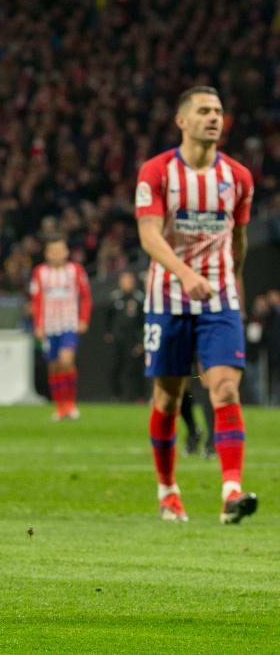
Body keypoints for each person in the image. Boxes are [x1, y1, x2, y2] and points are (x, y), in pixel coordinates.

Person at [135, 86, 256, 524]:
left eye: (219, 111)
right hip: (167, 299)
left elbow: (238, 238)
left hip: (219, 300)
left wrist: (233, 286)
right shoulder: (157, 171)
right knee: (168, 399)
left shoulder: (238, 177)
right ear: (181, 120)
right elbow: (149, 235)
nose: (214, 118)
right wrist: (185, 275)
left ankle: (231, 492)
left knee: (224, 387)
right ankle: (168, 491)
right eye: (204, 111)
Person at [28, 233, 91, 420]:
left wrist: (83, 319)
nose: (56, 254)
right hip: (49, 326)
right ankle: (60, 406)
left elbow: (86, 296)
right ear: (47, 253)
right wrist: (38, 324)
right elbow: (37, 300)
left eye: (60, 250)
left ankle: (70, 404)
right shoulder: (40, 273)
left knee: (66, 360)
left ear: (66, 252)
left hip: (69, 324)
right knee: (54, 366)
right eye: (52, 251)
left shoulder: (76, 270)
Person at [104, 271, 145, 402]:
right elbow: (107, 317)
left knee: (135, 368)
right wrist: (109, 332)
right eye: (124, 280)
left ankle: (138, 396)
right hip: (117, 338)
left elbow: (144, 320)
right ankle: (116, 395)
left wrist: (142, 340)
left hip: (133, 338)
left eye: (129, 280)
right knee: (115, 366)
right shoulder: (114, 297)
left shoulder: (139, 298)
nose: (126, 283)